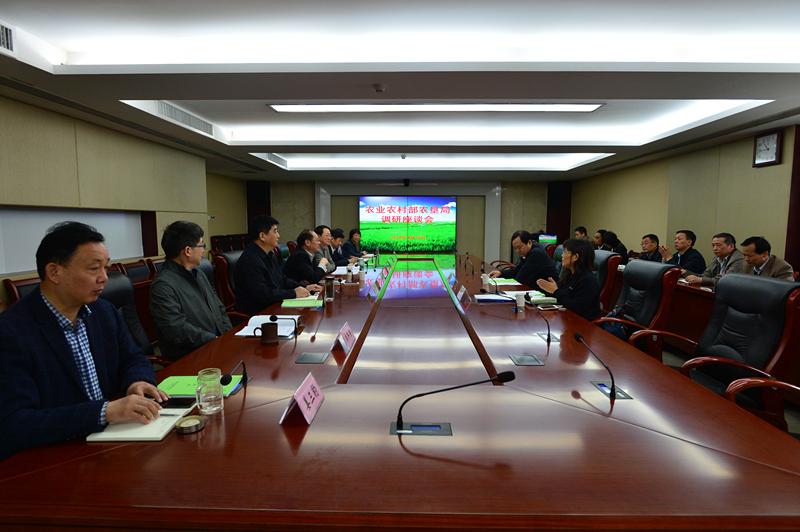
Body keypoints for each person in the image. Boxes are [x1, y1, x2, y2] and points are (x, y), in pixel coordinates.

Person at [0, 222, 168, 461]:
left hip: (113, 442)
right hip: (56, 456)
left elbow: (133, 357)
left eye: (106, 267)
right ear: (54, 272)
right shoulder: (11, 332)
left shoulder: (103, 312)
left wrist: (137, 381)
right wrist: (103, 412)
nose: (104, 278)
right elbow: (15, 423)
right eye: (94, 269)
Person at [149, 221, 232, 361]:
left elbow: (219, 309)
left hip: (217, 347)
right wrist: (215, 339)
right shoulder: (163, 286)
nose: (203, 250)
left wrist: (228, 335)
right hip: (193, 357)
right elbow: (176, 329)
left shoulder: (199, 274)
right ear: (188, 251)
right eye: (201, 245)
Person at [234, 216, 321, 316]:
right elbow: (262, 294)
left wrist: (305, 287)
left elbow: (282, 280)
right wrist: (293, 293)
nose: (278, 236)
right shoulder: (249, 260)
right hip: (259, 315)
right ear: (262, 236)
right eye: (275, 232)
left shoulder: (270, 255)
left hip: (275, 307)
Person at [537, 238, 602, 322]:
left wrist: (556, 291)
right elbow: (563, 296)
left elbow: (575, 308)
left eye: (566, 252)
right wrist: (551, 290)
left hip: (582, 324)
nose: (562, 255)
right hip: (566, 319)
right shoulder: (569, 273)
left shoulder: (588, 280)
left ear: (575, 257)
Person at [489, 230, 558, 287]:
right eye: (515, 248)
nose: (517, 251)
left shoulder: (536, 254)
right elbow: (517, 269)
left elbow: (521, 277)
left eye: (519, 247)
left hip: (547, 292)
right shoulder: (529, 252)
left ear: (529, 242)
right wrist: (500, 273)